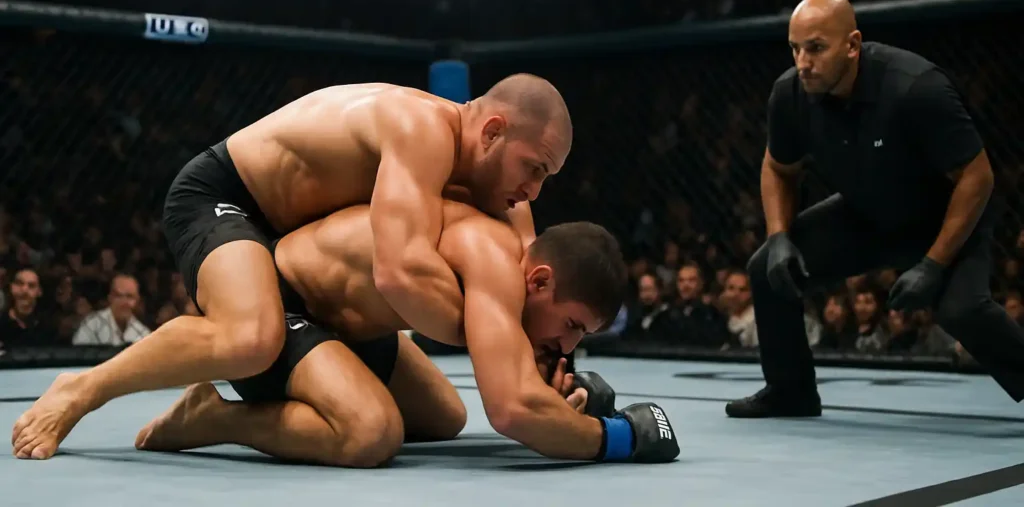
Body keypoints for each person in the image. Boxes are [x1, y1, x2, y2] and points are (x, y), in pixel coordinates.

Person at [13, 75, 573, 460]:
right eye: (534, 167)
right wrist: (496, 340)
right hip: (229, 199)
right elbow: (400, 274)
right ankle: (85, 387)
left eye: (547, 177)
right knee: (252, 337)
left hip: (302, 263)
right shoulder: (422, 130)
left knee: (441, 416)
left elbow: (521, 293)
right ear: (493, 131)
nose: (533, 188)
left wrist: (542, 367)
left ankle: (225, 406)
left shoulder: (504, 191)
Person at [133, 197, 679, 465]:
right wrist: (619, 439)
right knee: (372, 434)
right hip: (281, 303)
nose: (568, 345)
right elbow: (512, 411)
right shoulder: (493, 261)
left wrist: (554, 400)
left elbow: (521, 392)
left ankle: (325, 382)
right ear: (539, 280)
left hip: (351, 325)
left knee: (445, 416)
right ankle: (214, 417)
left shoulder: (514, 274)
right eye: (571, 325)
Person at [726, 0, 1024, 418]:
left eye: (815, 48)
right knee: (767, 269)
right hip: (866, 212)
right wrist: (778, 237)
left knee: (962, 310)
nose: (802, 62)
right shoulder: (791, 94)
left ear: (852, 44)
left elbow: (977, 178)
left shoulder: (915, 88)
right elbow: (778, 168)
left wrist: (934, 263)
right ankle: (790, 391)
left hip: (943, 218)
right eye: (794, 48)